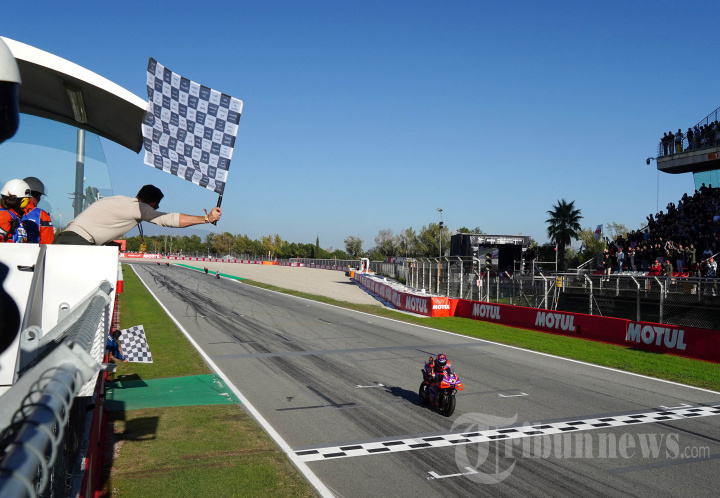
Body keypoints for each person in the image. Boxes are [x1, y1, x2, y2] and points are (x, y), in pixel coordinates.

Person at [54, 184, 222, 245]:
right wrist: (207, 218)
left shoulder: (119, 200)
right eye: (156, 206)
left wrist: (108, 242)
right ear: (152, 203)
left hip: (64, 238)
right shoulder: (138, 207)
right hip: (77, 243)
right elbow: (167, 219)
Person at [21, 176, 54, 244]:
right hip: (34, 251)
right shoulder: (42, 216)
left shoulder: (9, 212)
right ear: (35, 195)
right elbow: (47, 244)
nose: (39, 199)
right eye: (39, 196)